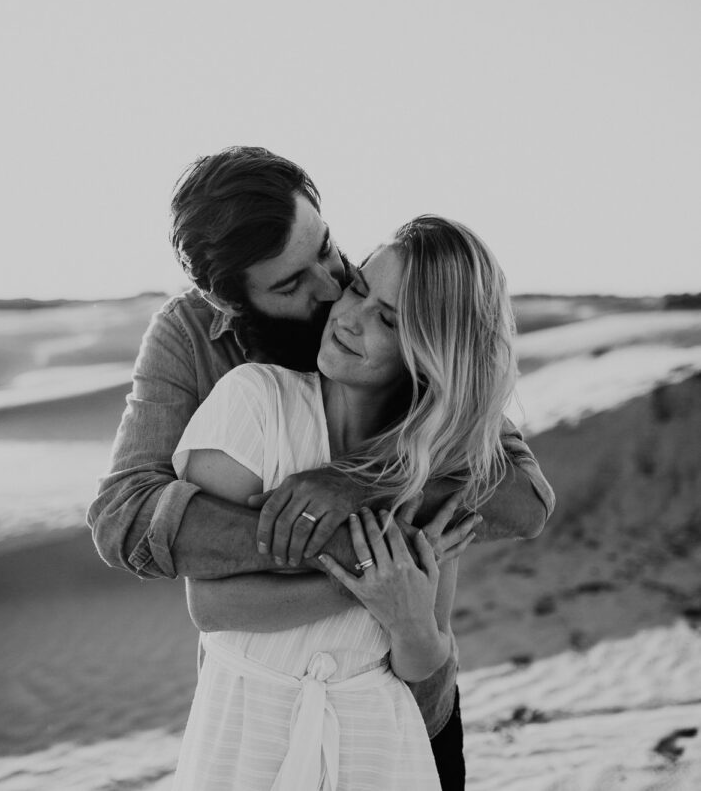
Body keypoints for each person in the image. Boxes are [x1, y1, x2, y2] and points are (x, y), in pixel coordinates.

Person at [87, 147, 555, 788]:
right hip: (265, 709)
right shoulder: (195, 340)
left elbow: (522, 497)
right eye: (290, 284)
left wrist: (361, 479)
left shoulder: (398, 300)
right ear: (232, 301)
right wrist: (353, 555)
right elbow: (126, 516)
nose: (333, 289)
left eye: (329, 249)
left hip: (407, 700)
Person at [170, 215, 518, 790]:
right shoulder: (255, 401)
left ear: (429, 355)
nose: (350, 318)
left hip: (377, 745)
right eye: (359, 288)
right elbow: (212, 605)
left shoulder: (431, 467)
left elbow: (420, 658)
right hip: (245, 736)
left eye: (387, 319)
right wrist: (365, 582)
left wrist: (405, 614)